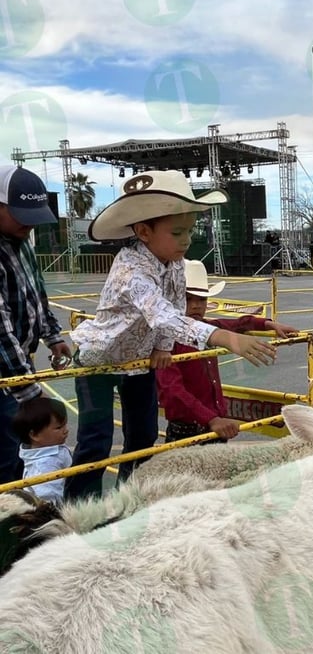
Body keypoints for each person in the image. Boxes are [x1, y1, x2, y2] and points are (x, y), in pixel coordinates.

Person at [64, 170, 277, 502]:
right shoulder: (131, 269)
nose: (187, 240)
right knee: (96, 439)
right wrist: (226, 338)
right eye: (178, 232)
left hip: (139, 361)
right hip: (100, 362)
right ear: (143, 231)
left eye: (190, 231)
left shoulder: (176, 263)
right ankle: (78, 510)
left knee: (143, 436)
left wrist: (163, 347)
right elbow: (161, 313)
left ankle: (129, 501)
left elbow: (175, 305)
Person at [156, 260, 299, 444]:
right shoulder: (166, 341)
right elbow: (172, 390)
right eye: (188, 299)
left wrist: (267, 324)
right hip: (188, 428)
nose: (196, 306)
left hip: (215, 424)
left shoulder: (208, 327)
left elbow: (238, 324)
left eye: (201, 299)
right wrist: (211, 419)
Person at [0, 165, 72, 485]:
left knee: (20, 456)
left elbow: (36, 293)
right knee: (6, 458)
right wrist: (30, 394)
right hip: (5, 376)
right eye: (19, 214)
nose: (29, 224)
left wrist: (52, 335)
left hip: (17, 368)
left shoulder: (22, 242)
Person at [12, 397, 72, 503]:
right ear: (34, 435)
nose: (66, 430)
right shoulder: (45, 466)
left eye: (65, 424)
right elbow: (49, 500)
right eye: (59, 427)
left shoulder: (50, 446)